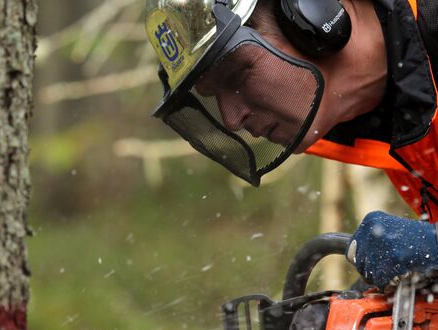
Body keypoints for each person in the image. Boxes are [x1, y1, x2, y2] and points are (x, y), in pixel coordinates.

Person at [145, 0, 438, 290]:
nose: (232, 119)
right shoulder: (388, 118)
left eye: (236, 75)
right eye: (215, 95)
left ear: (311, 13)